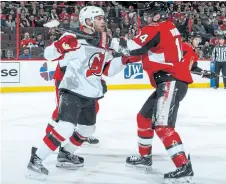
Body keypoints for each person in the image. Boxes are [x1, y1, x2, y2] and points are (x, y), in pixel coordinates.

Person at [26, 6, 131, 180]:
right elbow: (48, 54)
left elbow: (108, 70)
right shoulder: (71, 37)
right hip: (72, 88)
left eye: (102, 18)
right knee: (66, 126)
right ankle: (37, 159)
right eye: (99, 18)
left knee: (88, 129)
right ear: (88, 21)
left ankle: (66, 153)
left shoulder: (105, 40)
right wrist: (62, 46)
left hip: (90, 92)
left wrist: (124, 60)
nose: (103, 21)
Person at [122, 2, 214, 183]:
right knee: (144, 118)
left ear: (161, 14)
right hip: (169, 80)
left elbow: (134, 47)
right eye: (149, 14)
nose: (149, 17)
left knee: (163, 126)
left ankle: (183, 167)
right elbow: (148, 51)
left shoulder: (156, 28)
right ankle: (144, 157)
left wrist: (109, 43)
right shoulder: (170, 27)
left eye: (153, 13)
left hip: (170, 80)